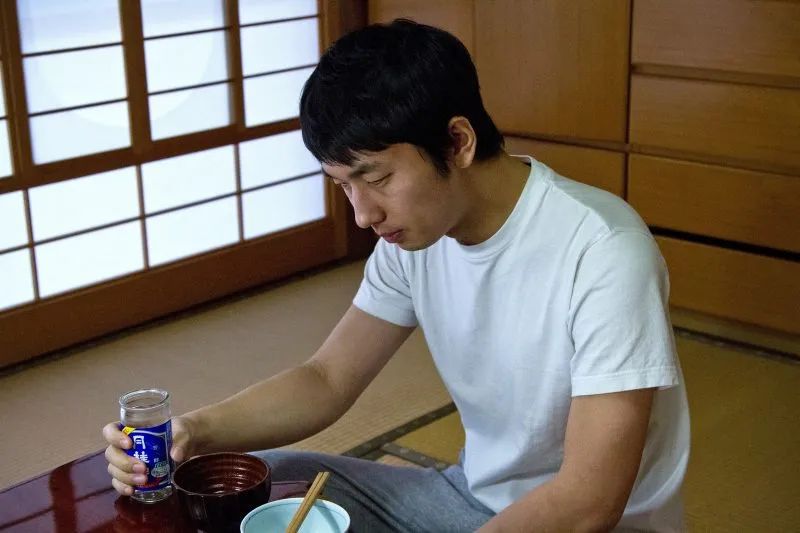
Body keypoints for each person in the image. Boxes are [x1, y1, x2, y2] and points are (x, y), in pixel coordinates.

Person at [104, 19, 690, 532]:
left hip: (583, 526)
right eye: (344, 186)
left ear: (457, 142)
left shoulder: (602, 251)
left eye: (377, 178)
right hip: (467, 502)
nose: (363, 214)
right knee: (268, 480)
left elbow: (588, 501)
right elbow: (327, 379)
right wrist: (195, 430)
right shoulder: (414, 238)